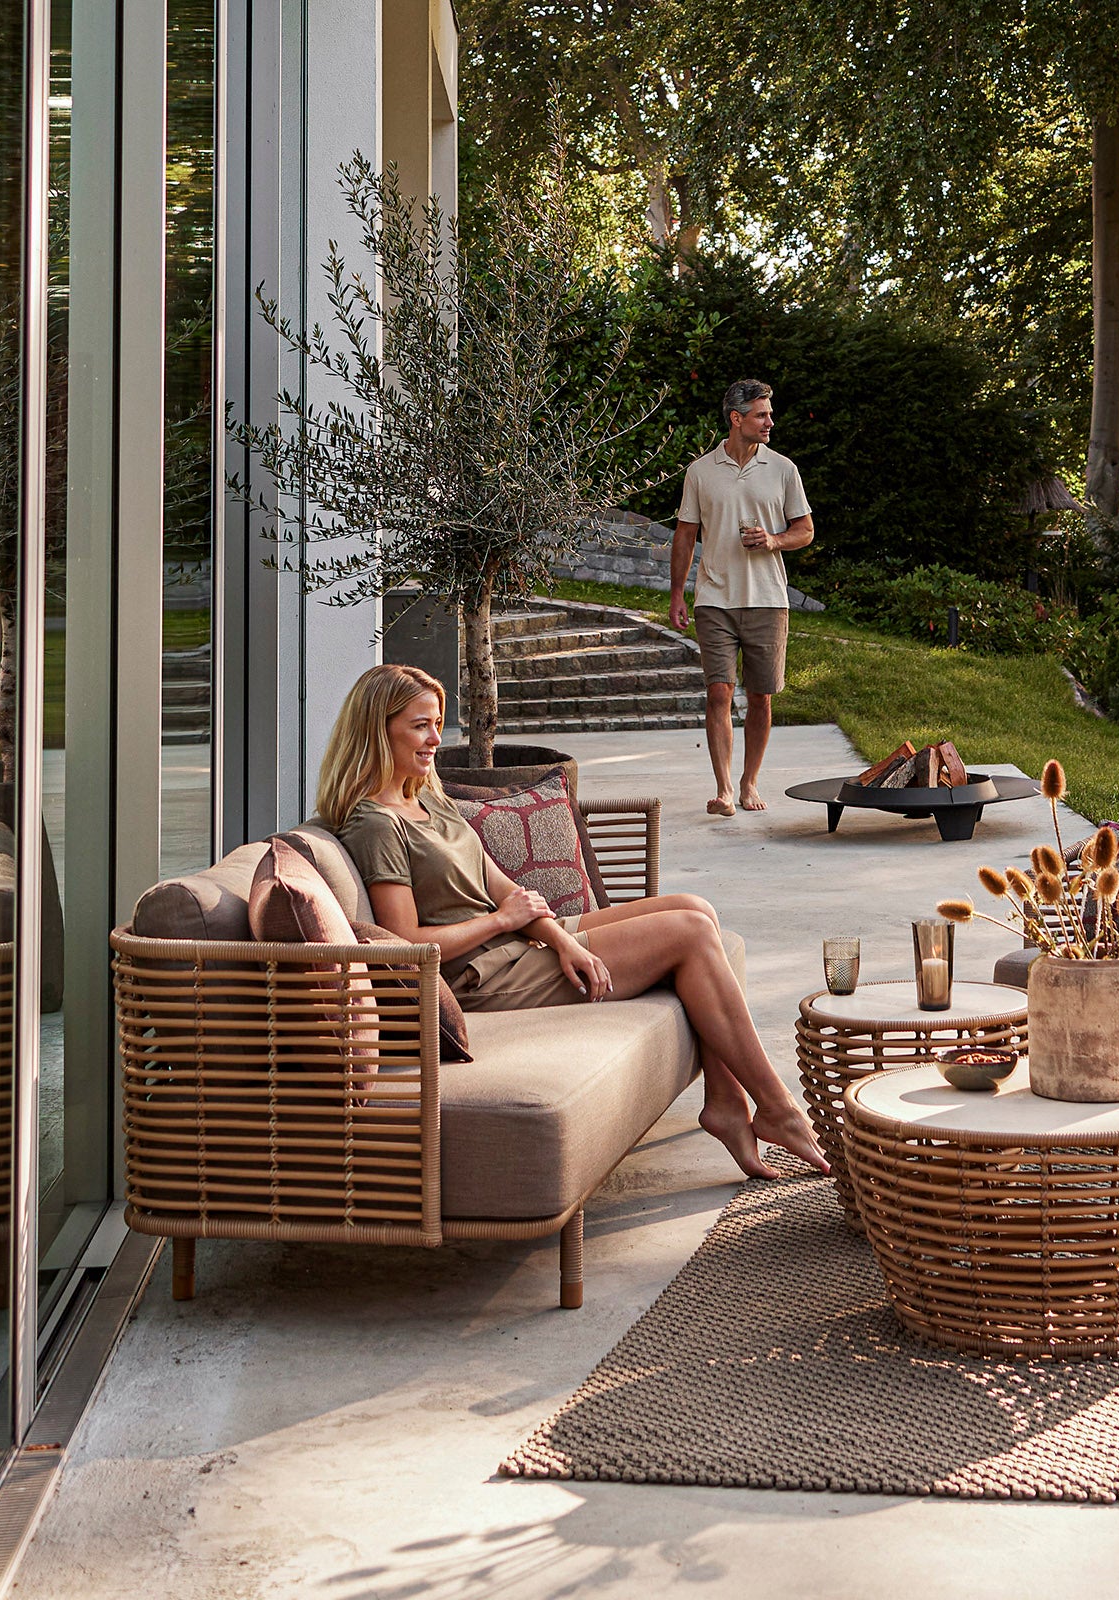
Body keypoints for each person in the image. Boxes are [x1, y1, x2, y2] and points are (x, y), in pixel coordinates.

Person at [319, 663, 829, 1181]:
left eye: (437, 723)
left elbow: (504, 889)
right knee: (691, 935)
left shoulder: (424, 796)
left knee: (698, 910)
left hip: (515, 945)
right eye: (419, 726)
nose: (434, 739)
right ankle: (778, 1106)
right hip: (478, 975)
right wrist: (502, 923)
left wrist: (561, 939)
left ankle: (725, 1100)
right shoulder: (375, 823)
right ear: (377, 730)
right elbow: (407, 942)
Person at [669, 379, 814, 817]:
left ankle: (750, 781)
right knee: (719, 691)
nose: (770, 421)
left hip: (768, 599)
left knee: (761, 697)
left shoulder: (784, 469)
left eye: (769, 414)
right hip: (714, 597)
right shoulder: (700, 471)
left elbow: (804, 531)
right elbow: (685, 535)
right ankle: (724, 789)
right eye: (761, 415)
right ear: (737, 419)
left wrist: (773, 540)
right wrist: (677, 593)